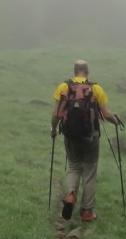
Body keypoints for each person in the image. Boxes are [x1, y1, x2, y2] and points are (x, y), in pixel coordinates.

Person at [50, 59, 121, 222]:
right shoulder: (95, 88)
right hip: (91, 137)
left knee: (74, 167)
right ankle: (87, 212)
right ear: (87, 72)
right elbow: (106, 114)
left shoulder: (63, 87)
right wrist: (116, 122)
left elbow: (55, 114)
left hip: (70, 136)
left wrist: (54, 130)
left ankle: (70, 195)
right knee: (89, 171)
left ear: (74, 72)